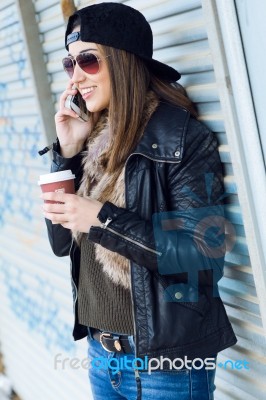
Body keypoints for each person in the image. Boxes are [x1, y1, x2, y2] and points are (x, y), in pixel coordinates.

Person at [40, 2, 237, 399]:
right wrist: (67, 152)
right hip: (101, 355)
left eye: (89, 61)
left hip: (166, 365)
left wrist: (104, 219)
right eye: (69, 63)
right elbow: (62, 244)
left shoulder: (181, 139)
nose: (76, 77)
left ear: (124, 61)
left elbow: (202, 257)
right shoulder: (93, 140)